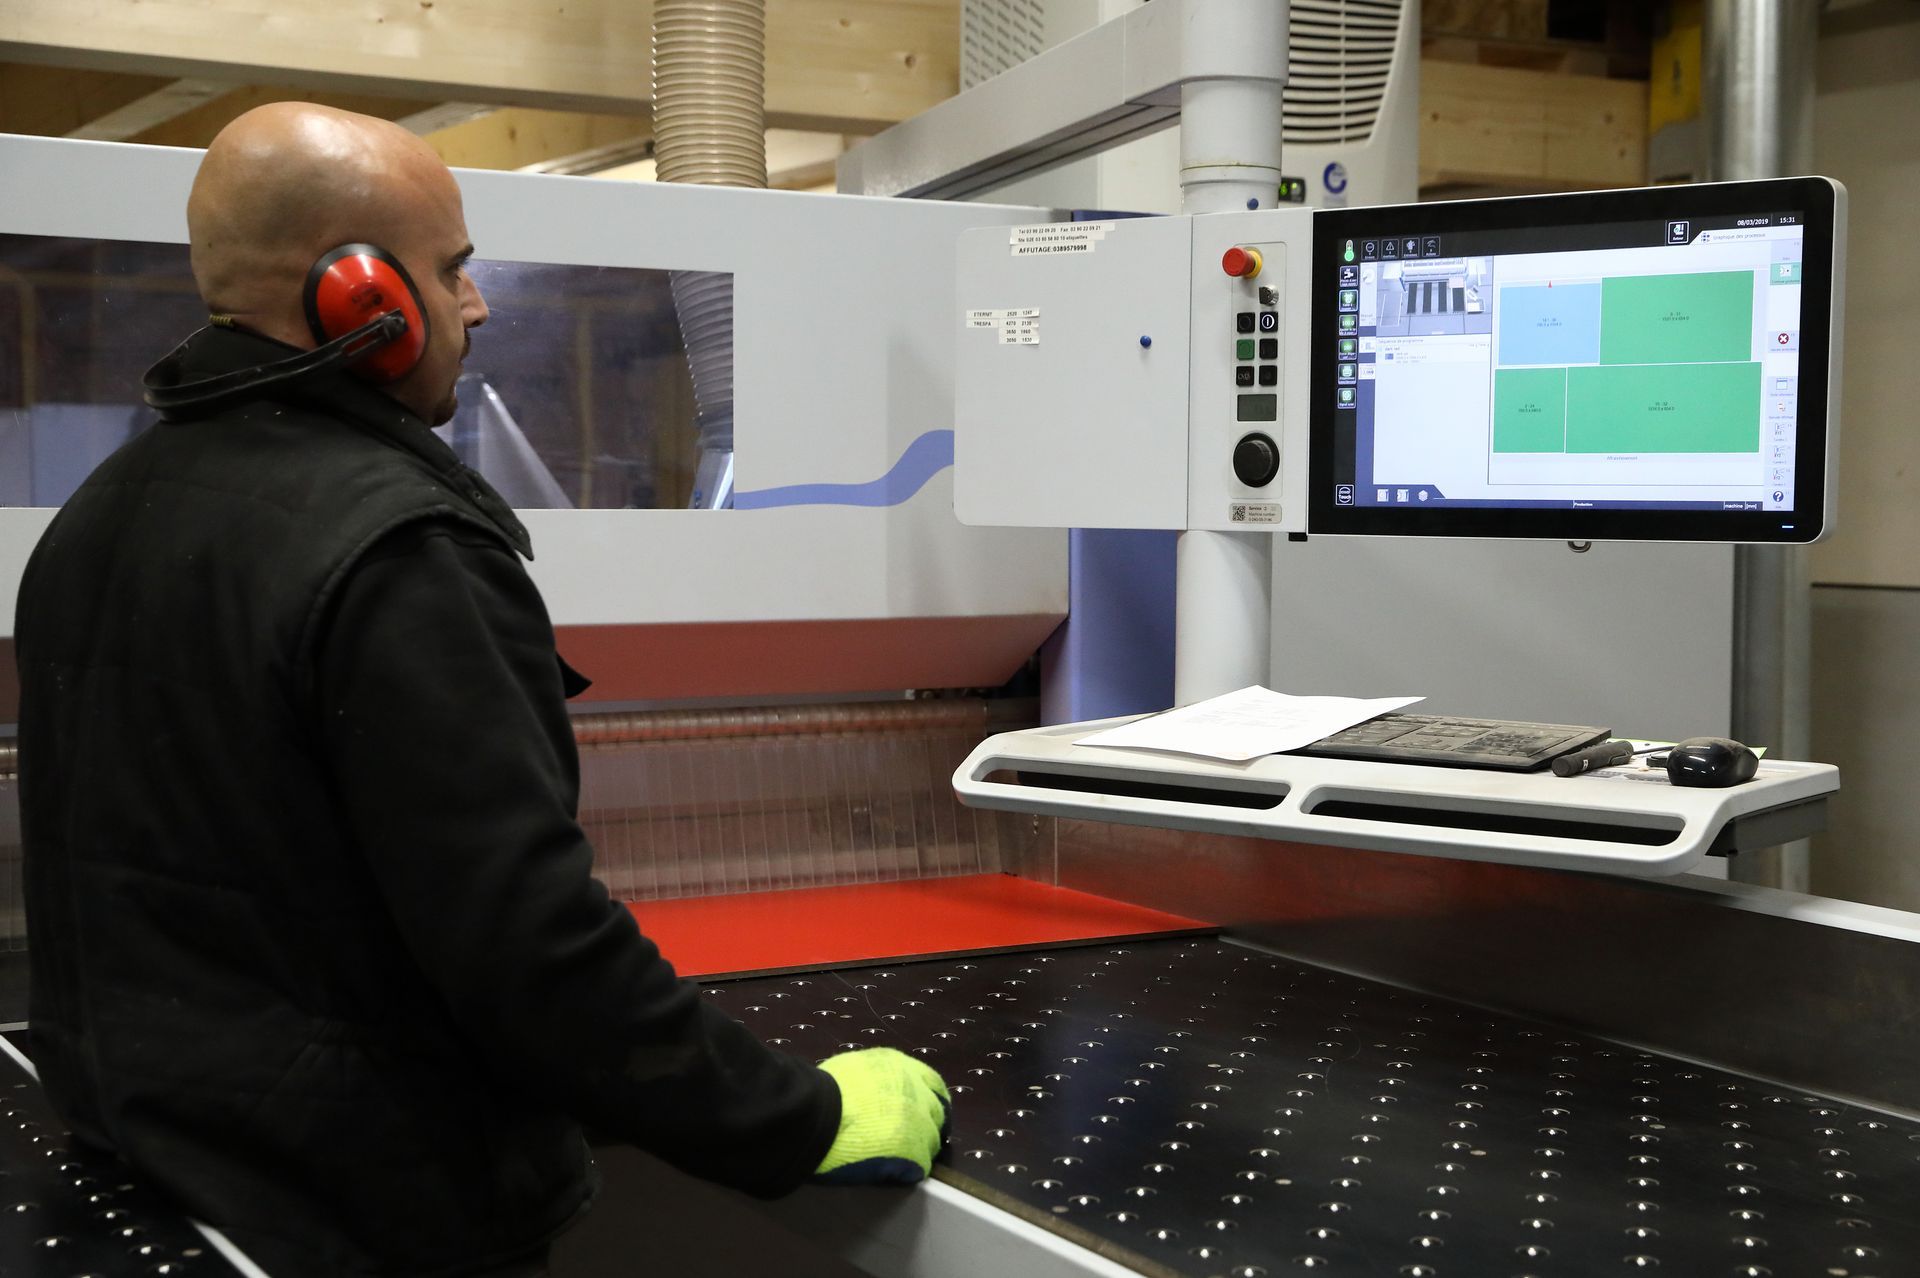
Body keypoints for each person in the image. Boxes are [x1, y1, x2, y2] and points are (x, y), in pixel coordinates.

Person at [13, 103, 949, 1277]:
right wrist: (796, 1117)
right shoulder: (400, 550)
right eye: (450, 270)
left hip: (158, 1162)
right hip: (363, 1211)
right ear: (361, 296)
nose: (477, 302)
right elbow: (531, 956)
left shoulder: (100, 515)